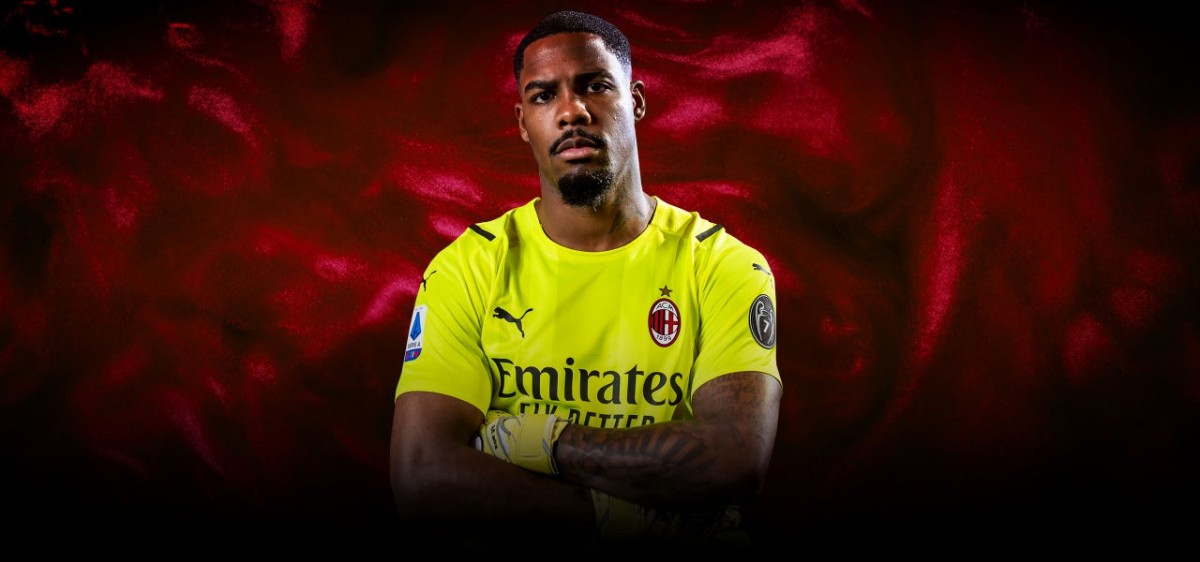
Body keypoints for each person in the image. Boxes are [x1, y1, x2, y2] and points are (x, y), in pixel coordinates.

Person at [389, 9, 781, 551]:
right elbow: (422, 474)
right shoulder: (467, 268)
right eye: (543, 95)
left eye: (595, 86)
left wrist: (538, 440)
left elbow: (734, 461)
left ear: (636, 101)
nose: (572, 111)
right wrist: (620, 520)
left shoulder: (724, 266)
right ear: (523, 121)